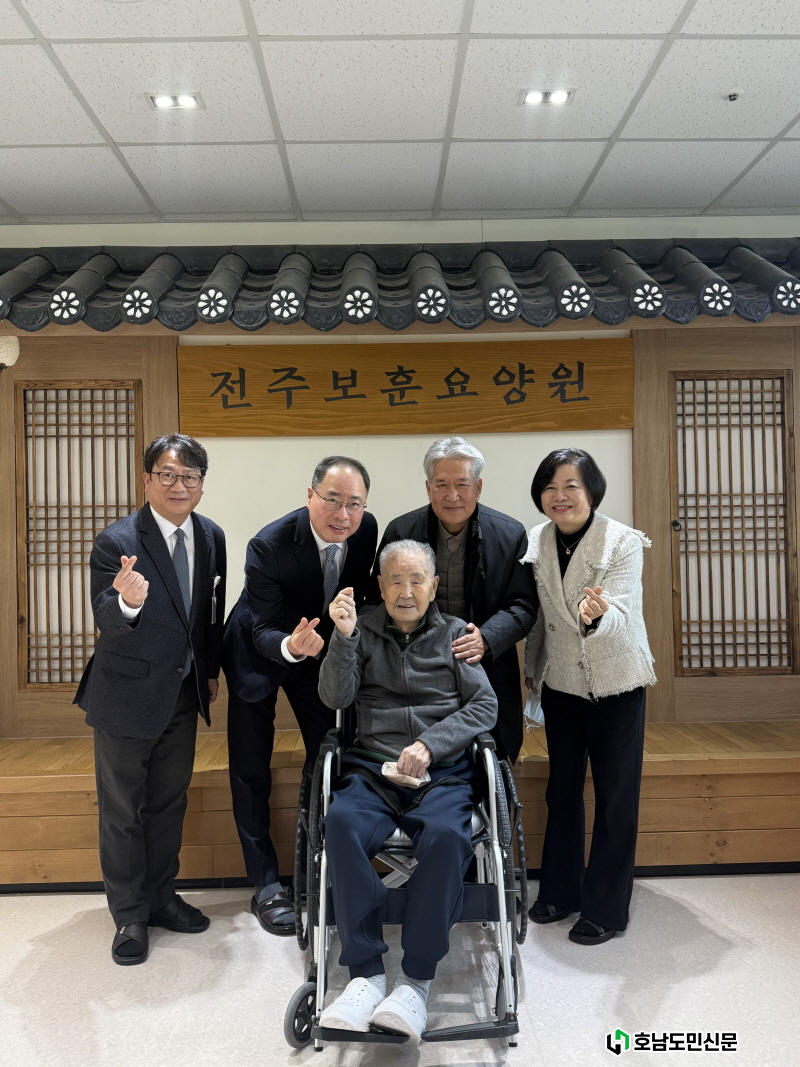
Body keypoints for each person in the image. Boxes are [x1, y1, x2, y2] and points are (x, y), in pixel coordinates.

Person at [316, 540, 497, 1043]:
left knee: (446, 836)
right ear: (380, 586)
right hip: (373, 769)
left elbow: (485, 706)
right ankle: (366, 975)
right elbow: (334, 696)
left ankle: (415, 980)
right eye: (395, 580)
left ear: (434, 586)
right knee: (341, 825)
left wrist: (430, 745)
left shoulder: (456, 635)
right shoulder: (362, 629)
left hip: (442, 773)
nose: (406, 591)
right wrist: (344, 638)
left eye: (417, 580)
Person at [74, 433, 226, 966]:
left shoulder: (211, 535)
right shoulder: (116, 540)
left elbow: (209, 613)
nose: (178, 485)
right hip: (125, 694)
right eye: (167, 474)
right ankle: (129, 914)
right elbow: (105, 617)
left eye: (189, 477)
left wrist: (209, 671)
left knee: (168, 803)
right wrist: (127, 603)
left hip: (182, 692)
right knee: (121, 811)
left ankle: (161, 898)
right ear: (147, 480)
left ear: (201, 484)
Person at [223, 456, 378, 936]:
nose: (343, 515)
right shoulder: (268, 544)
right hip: (261, 649)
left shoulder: (366, 531)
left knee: (331, 752)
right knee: (250, 767)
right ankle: (266, 884)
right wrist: (290, 647)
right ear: (310, 495)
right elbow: (262, 626)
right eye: (332, 499)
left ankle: (319, 866)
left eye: (354, 503)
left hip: (318, 652)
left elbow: (359, 595)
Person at [522, 448, 656, 945]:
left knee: (616, 796)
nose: (559, 496)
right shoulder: (535, 540)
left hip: (617, 682)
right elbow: (541, 615)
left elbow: (623, 610)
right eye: (550, 487)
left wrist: (597, 616)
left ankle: (606, 909)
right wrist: (531, 668)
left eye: (571, 486)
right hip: (562, 685)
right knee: (561, 791)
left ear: (592, 492)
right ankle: (561, 891)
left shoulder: (622, 540)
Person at [369, 437, 537, 764]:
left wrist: (486, 638)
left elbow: (524, 604)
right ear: (428, 488)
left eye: (462, 484)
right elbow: (377, 598)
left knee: (491, 756)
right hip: (414, 666)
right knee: (413, 752)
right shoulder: (401, 531)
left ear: (478, 487)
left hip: (482, 662)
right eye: (441, 484)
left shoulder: (510, 534)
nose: (452, 495)